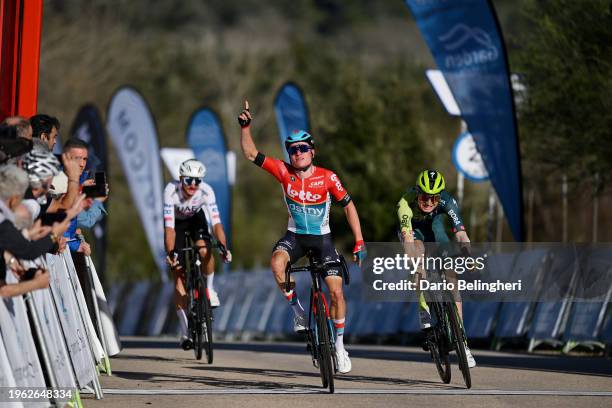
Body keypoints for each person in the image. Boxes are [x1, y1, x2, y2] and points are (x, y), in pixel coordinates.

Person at [237, 100, 366, 374]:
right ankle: (297, 309)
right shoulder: (283, 171)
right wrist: (246, 126)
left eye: (303, 148)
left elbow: (349, 206)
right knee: (276, 263)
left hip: (322, 240)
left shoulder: (328, 177)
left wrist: (359, 241)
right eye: (293, 150)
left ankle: (340, 346)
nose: (298, 153)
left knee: (335, 291)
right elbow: (250, 154)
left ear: (312, 151)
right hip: (295, 237)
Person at [397, 169, 476, 368]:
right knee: (418, 262)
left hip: (435, 232)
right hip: (412, 233)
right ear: (417, 192)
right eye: (424, 197)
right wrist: (414, 263)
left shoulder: (447, 202)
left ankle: (463, 343)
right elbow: (407, 239)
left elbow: (460, 234)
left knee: (452, 278)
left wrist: (469, 255)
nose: (429, 203)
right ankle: (425, 314)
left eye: (434, 199)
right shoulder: (404, 204)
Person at [163, 159, 232, 350]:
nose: (193, 185)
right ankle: (185, 333)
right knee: (178, 275)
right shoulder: (170, 191)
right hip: (176, 225)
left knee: (205, 249)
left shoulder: (206, 191)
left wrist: (224, 247)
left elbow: (217, 222)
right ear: (181, 179)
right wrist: (171, 252)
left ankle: (208, 289)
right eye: (188, 180)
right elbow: (169, 228)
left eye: (197, 181)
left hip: (195, 220)